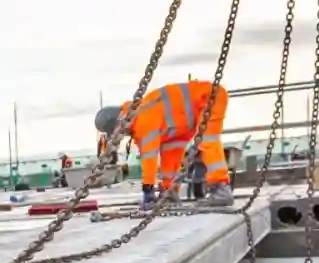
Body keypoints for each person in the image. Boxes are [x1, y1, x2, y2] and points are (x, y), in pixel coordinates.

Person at [96, 77, 231, 208]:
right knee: (171, 153)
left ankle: (221, 188)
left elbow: (149, 157)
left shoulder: (143, 119)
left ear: (119, 121)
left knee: (207, 140)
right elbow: (169, 159)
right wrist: (168, 188)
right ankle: (170, 192)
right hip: (182, 121)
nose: (121, 135)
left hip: (209, 98)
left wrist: (148, 189)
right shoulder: (144, 117)